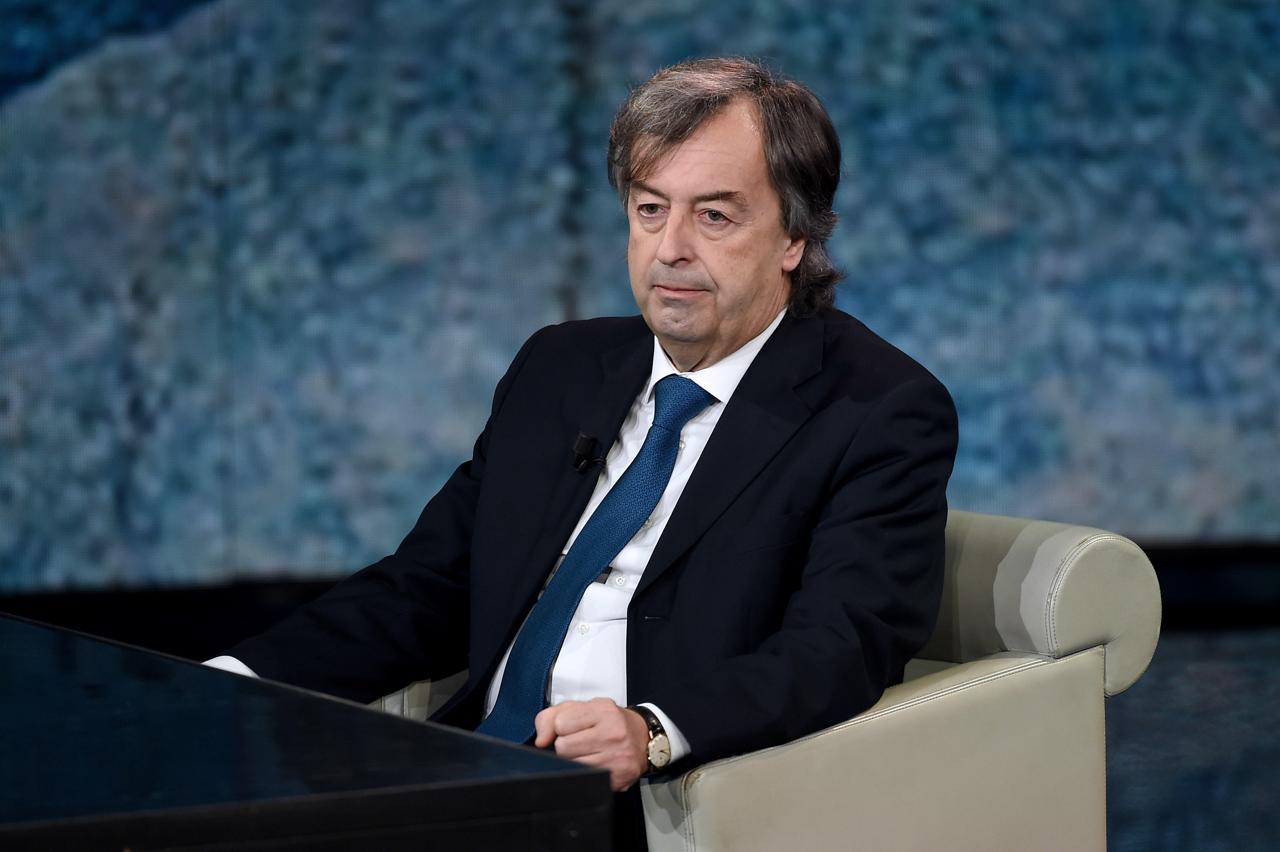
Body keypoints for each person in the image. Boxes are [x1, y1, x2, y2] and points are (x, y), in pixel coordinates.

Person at [208, 57, 958, 848]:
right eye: (649, 209)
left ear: (795, 238)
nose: (669, 249)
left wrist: (653, 730)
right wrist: (234, 681)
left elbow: (839, 646)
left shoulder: (877, 410)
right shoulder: (560, 368)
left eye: (714, 217)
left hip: (638, 808)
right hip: (470, 774)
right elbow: (430, 585)